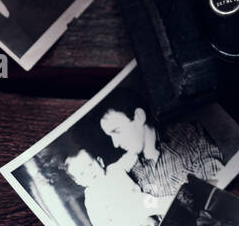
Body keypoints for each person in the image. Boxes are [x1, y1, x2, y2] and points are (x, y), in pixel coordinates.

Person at [96, 84, 227, 202]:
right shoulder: (131, 172)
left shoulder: (188, 136)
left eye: (117, 131)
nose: (115, 144)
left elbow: (218, 185)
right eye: (110, 136)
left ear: (139, 117)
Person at [63, 149, 158, 226]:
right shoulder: (92, 198)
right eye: (82, 173)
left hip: (148, 210)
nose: (89, 172)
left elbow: (130, 157)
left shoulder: (114, 169)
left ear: (100, 162)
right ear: (79, 181)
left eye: (90, 165)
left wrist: (138, 150)